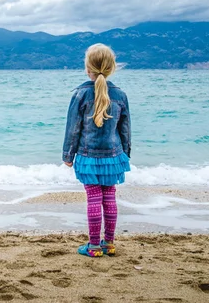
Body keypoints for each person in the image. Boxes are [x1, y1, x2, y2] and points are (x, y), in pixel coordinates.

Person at [62, 43, 131, 257]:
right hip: (113, 156)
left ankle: (93, 246)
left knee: (93, 197)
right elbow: (125, 129)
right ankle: (108, 243)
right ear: (111, 68)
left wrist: (68, 155)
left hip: (88, 156)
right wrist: (125, 153)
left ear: (87, 68)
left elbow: (73, 128)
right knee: (109, 196)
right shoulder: (120, 95)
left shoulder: (80, 94)